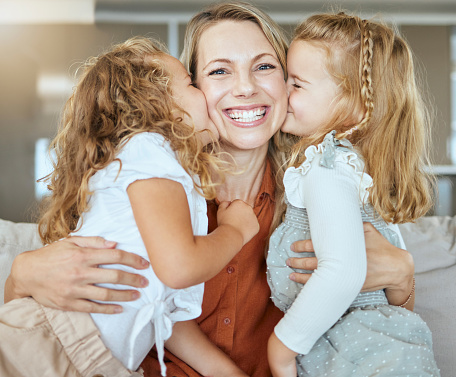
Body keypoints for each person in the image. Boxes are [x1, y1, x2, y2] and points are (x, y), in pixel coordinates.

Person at [4, 2, 416, 376]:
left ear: (291, 83)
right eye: (219, 71)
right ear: (191, 91)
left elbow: (378, 335)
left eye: (264, 66)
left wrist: (402, 277)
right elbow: (41, 328)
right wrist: (19, 276)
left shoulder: (320, 197)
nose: (245, 87)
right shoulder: (145, 186)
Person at [0, 36, 260, 377]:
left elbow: (161, 315)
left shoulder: (162, 172)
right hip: (57, 338)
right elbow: (180, 266)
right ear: (159, 105)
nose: (205, 95)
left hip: (93, 356)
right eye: (192, 84)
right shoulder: (148, 150)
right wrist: (236, 230)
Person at [266, 12, 440, 377]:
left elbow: (344, 271)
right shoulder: (349, 167)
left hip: (361, 358)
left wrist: (281, 347)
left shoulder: (327, 166)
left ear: (354, 106)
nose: (281, 91)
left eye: (296, 84)